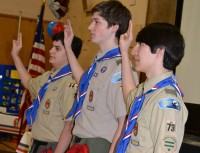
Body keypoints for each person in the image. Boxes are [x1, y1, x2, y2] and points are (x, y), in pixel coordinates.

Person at [55, 1, 138, 153]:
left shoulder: (121, 69)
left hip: (98, 145)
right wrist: (68, 47)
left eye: (96, 22)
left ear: (114, 27)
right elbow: (85, 84)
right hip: (79, 141)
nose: (90, 27)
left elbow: (123, 121)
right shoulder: (100, 60)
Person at [116, 21, 188, 153]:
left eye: (141, 45)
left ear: (160, 52)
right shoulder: (147, 90)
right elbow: (129, 98)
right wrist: (124, 52)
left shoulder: (166, 102)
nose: (134, 51)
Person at [11, 31, 82, 152]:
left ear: (70, 54)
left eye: (57, 48)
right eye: (52, 47)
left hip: (53, 146)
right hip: (37, 144)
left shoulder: (70, 83)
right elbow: (28, 83)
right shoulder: (49, 77)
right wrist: (15, 56)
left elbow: (70, 124)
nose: (51, 51)